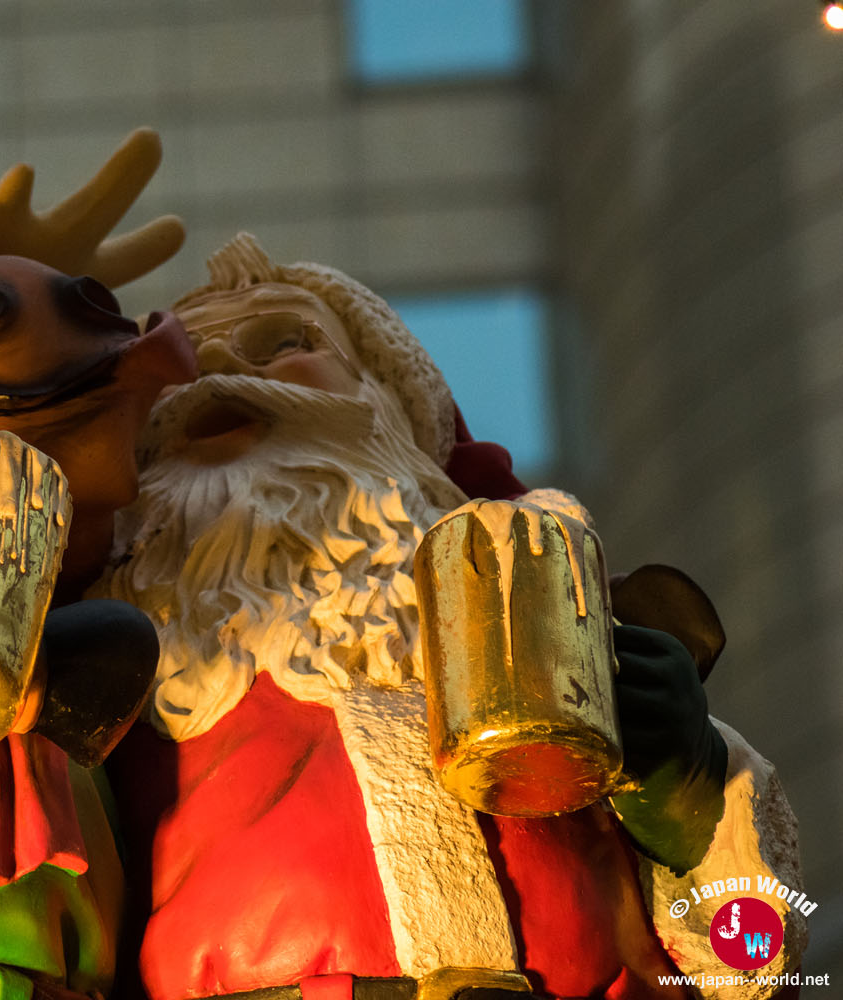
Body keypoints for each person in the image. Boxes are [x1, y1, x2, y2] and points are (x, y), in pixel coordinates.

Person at [95, 233, 805, 1000]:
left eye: (284, 340)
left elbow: (756, 968)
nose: (227, 368)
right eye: (188, 365)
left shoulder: (551, 643)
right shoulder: (108, 680)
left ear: (387, 407)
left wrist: (690, 793)